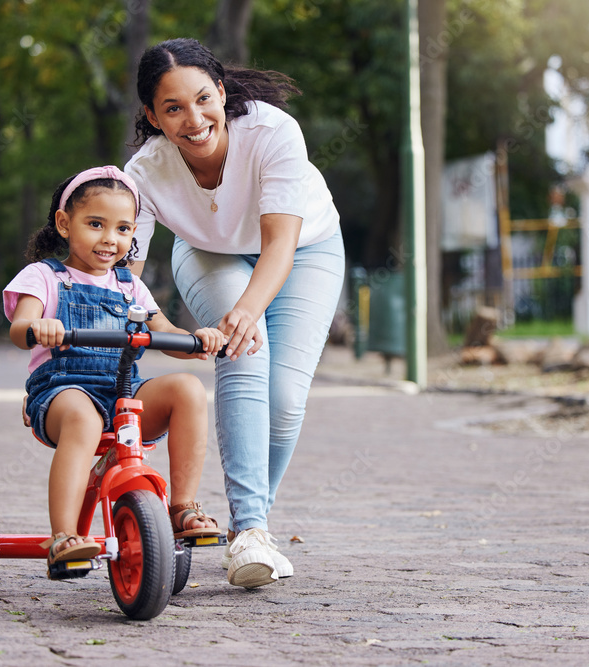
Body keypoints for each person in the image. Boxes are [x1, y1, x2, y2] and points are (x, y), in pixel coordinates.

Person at [125, 39, 345, 589]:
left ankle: (255, 529)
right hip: (209, 252)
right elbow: (124, 272)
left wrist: (249, 308)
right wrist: (156, 327)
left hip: (303, 249)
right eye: (173, 108)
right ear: (153, 116)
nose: (194, 120)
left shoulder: (272, 132)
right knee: (245, 356)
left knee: (285, 399)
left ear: (222, 93)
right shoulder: (144, 172)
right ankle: (249, 531)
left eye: (203, 99)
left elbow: (279, 245)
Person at [4, 165, 227, 573]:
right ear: (64, 223)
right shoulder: (45, 277)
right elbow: (20, 329)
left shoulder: (130, 287)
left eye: (124, 229)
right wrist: (39, 326)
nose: (110, 239)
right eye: (96, 224)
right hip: (61, 391)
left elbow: (164, 331)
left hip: (124, 392)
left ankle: (181, 508)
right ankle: (65, 536)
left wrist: (198, 340)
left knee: (189, 390)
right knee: (82, 418)